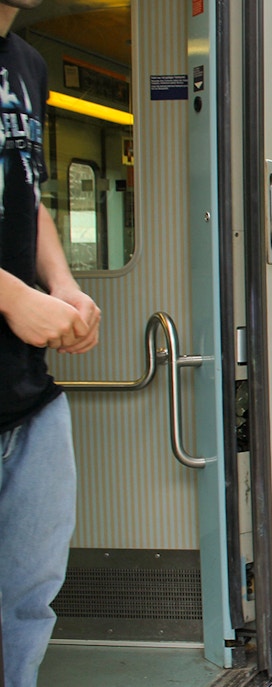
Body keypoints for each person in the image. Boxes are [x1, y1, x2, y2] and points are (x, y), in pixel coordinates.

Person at [0, 2, 103, 685]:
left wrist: (61, 284)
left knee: (27, 605)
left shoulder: (26, 65)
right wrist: (11, 298)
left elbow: (28, 193)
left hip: (29, 398)